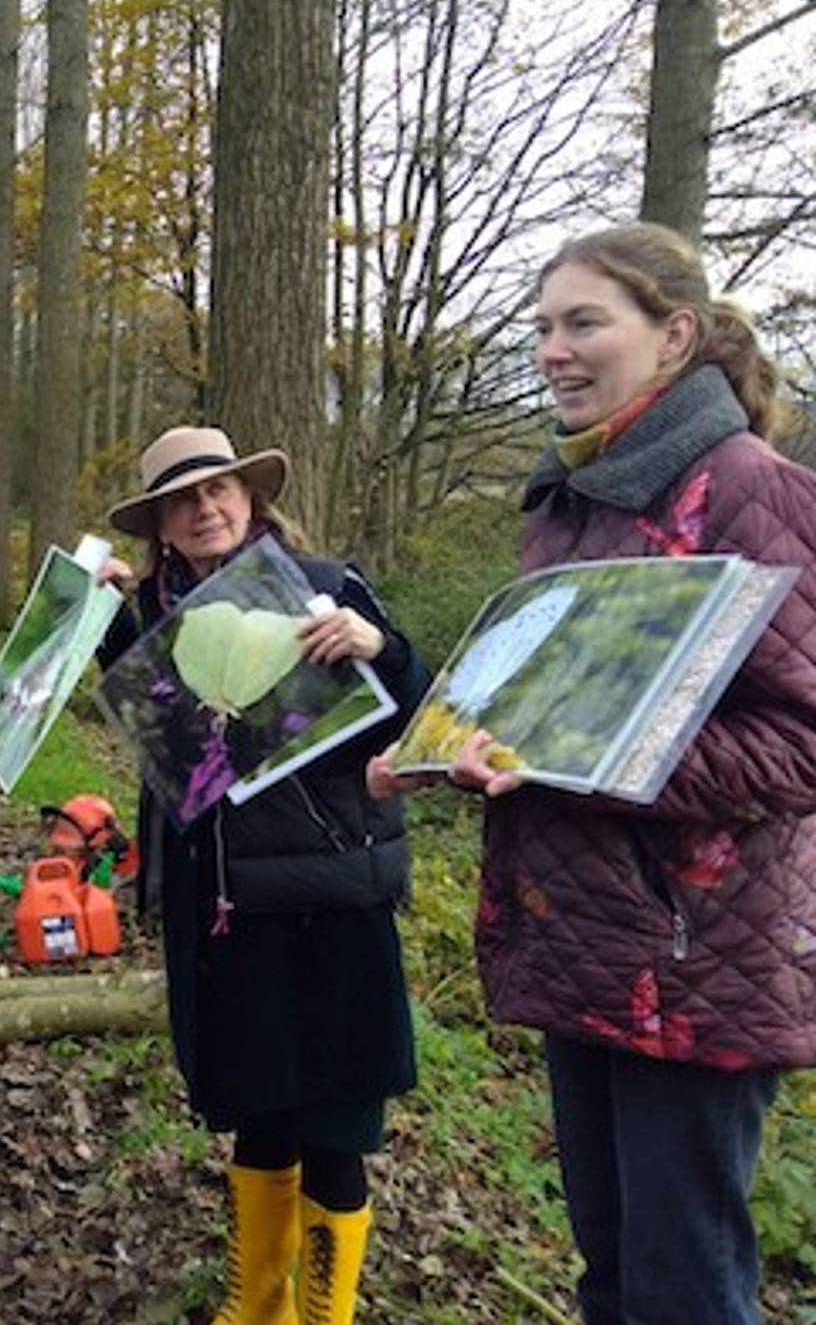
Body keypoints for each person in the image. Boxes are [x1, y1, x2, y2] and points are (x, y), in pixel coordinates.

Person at [371, 223, 816, 1325]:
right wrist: (452, 753)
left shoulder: (748, 487)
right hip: (580, 940)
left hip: (692, 956)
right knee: (612, 1274)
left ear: (674, 334)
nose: (553, 350)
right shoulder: (570, 500)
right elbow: (542, 707)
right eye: (541, 328)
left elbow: (803, 738)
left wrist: (601, 758)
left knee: (687, 1291)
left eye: (584, 322)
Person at [95, 425, 428, 1325]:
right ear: (161, 524)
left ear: (250, 498)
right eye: (182, 500)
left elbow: (418, 705)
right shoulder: (160, 622)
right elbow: (176, 755)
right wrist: (100, 627)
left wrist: (381, 646)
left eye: (220, 491)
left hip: (328, 897)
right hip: (225, 906)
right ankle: (257, 1308)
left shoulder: (324, 586)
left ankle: (324, 1316)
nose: (205, 509)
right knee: (258, 1110)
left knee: (334, 1123)